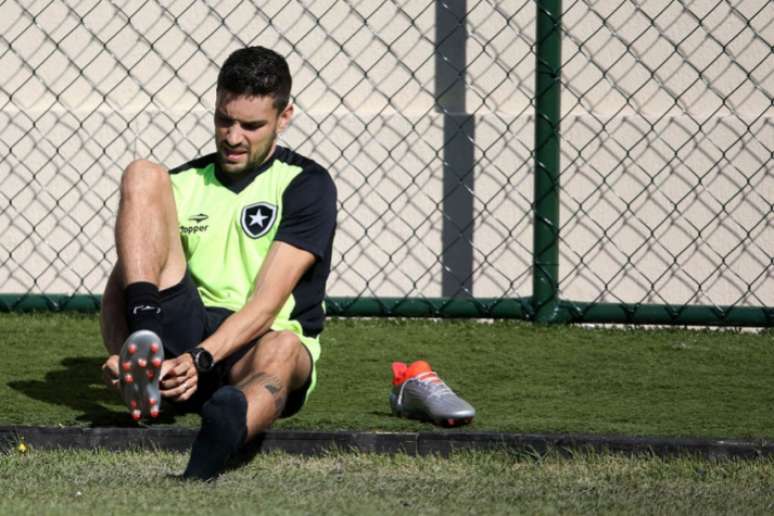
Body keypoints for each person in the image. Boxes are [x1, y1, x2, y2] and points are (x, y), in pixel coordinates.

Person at [99, 46, 337, 481]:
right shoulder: (183, 183)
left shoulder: (306, 185)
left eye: (251, 125)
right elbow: (123, 281)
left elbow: (266, 306)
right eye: (224, 120)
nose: (232, 136)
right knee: (142, 174)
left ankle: (217, 440)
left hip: (253, 345)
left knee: (285, 350)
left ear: (284, 118)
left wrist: (201, 358)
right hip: (181, 342)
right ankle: (147, 374)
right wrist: (124, 353)